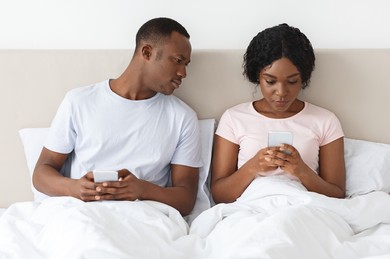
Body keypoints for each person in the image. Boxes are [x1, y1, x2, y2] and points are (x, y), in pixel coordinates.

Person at [32, 17, 202, 216]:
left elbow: (186, 199)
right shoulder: (79, 101)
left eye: (186, 64)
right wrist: (75, 188)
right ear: (147, 52)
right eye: (178, 61)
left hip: (145, 217)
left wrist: (142, 190)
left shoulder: (183, 117)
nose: (183, 73)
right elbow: (41, 173)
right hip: (82, 215)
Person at [211, 23, 346, 203]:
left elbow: (337, 194)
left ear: (303, 78)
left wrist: (301, 171)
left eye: (292, 81)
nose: (281, 92)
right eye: (270, 81)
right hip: (250, 211)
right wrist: (252, 167)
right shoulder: (234, 118)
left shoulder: (325, 120)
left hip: (303, 211)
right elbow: (219, 195)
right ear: (257, 76)